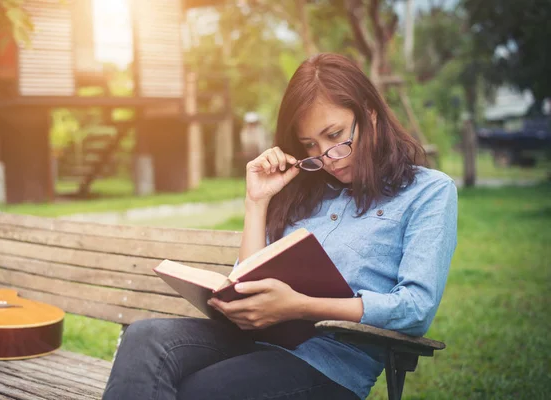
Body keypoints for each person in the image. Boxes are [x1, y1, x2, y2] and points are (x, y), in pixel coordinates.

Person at [102, 53, 458, 400]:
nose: (328, 158)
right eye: (310, 145)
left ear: (371, 114)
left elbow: (415, 309)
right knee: (144, 337)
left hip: (328, 364)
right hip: (256, 339)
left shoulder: (428, 192)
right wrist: (256, 202)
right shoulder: (306, 191)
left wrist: (301, 305)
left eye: (335, 136)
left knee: (195, 390)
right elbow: (248, 281)